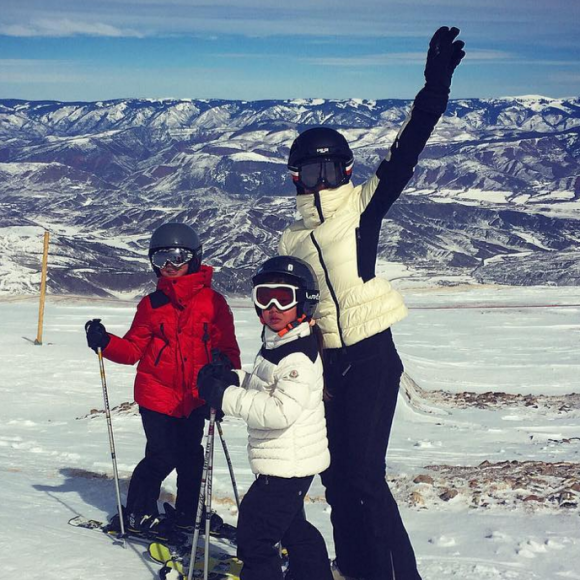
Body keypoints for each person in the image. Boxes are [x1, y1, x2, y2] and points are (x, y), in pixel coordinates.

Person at [278, 26, 466, 580]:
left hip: (371, 354)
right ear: (295, 176)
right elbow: (291, 311)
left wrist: (434, 89)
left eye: (329, 169)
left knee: (363, 476)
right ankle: (358, 567)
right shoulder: (290, 240)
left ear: (346, 171)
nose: (319, 180)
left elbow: (405, 152)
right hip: (327, 361)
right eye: (309, 171)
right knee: (337, 479)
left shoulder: (361, 209)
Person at [84, 222, 241, 537]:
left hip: (195, 396)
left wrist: (224, 383)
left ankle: (188, 515)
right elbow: (132, 350)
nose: (168, 266)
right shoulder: (151, 305)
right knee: (162, 454)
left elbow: (228, 350)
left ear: (193, 258)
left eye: (176, 257)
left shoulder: (214, 303)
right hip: (156, 395)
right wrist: (105, 342)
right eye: (160, 259)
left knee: (192, 457)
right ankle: (139, 512)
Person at [197, 255, 333, 580]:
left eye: (283, 297)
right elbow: (263, 383)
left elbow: (279, 411)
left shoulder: (296, 355)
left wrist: (223, 397)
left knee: (255, 536)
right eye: (263, 296)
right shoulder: (280, 343)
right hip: (288, 462)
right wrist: (232, 378)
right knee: (291, 527)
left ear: (303, 301)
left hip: (287, 466)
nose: (272, 306)